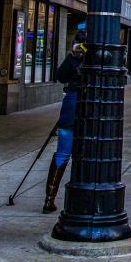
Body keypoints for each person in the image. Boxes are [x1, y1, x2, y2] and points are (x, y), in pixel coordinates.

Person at [44, 27, 85, 214]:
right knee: (79, 154)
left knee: (62, 153)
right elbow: (60, 77)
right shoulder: (83, 58)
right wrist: (74, 57)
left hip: (71, 107)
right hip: (84, 109)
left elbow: (61, 76)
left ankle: (49, 199)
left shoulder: (76, 59)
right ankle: (51, 199)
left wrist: (74, 57)